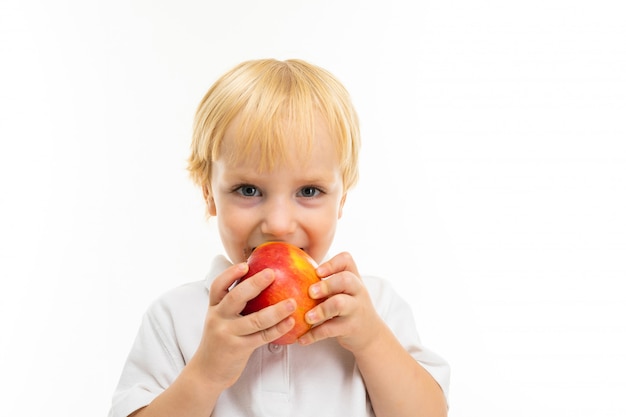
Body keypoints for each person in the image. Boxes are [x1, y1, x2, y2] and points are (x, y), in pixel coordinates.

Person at [108, 58, 450, 417]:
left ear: (341, 201)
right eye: (249, 189)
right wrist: (205, 373)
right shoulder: (177, 317)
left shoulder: (373, 308)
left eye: (309, 191)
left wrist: (372, 341)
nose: (279, 224)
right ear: (209, 196)